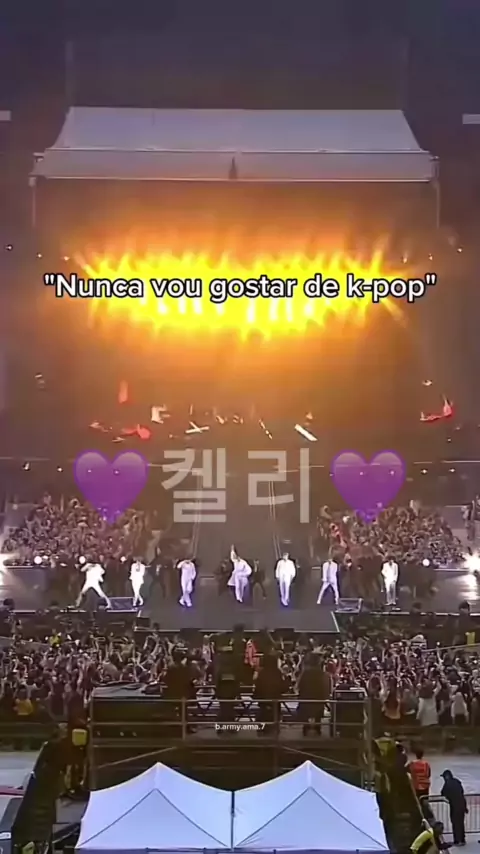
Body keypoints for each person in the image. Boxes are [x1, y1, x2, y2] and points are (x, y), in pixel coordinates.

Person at [440, 770, 467, 846]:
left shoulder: (447, 784)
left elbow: (443, 792)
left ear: (446, 777)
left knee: (455, 823)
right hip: (462, 804)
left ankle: (457, 840)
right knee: (461, 822)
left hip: (455, 806)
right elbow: (462, 792)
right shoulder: (457, 782)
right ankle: (462, 839)